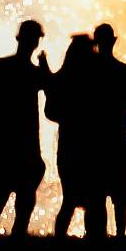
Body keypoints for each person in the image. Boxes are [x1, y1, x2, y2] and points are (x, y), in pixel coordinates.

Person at [0, 19, 51, 236]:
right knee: (20, 196)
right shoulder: (32, 72)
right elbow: (52, 88)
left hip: (6, 142)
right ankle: (14, 239)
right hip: (23, 144)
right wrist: (45, 66)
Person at [45, 33, 101, 237]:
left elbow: (50, 111)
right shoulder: (97, 77)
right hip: (91, 145)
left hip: (70, 145)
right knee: (93, 198)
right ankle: (95, 241)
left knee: (71, 199)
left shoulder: (63, 77)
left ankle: (60, 242)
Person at [91, 22, 126, 237]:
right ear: (113, 41)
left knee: (97, 193)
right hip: (117, 139)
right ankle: (120, 236)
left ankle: (98, 237)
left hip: (94, 140)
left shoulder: (87, 74)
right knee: (120, 196)